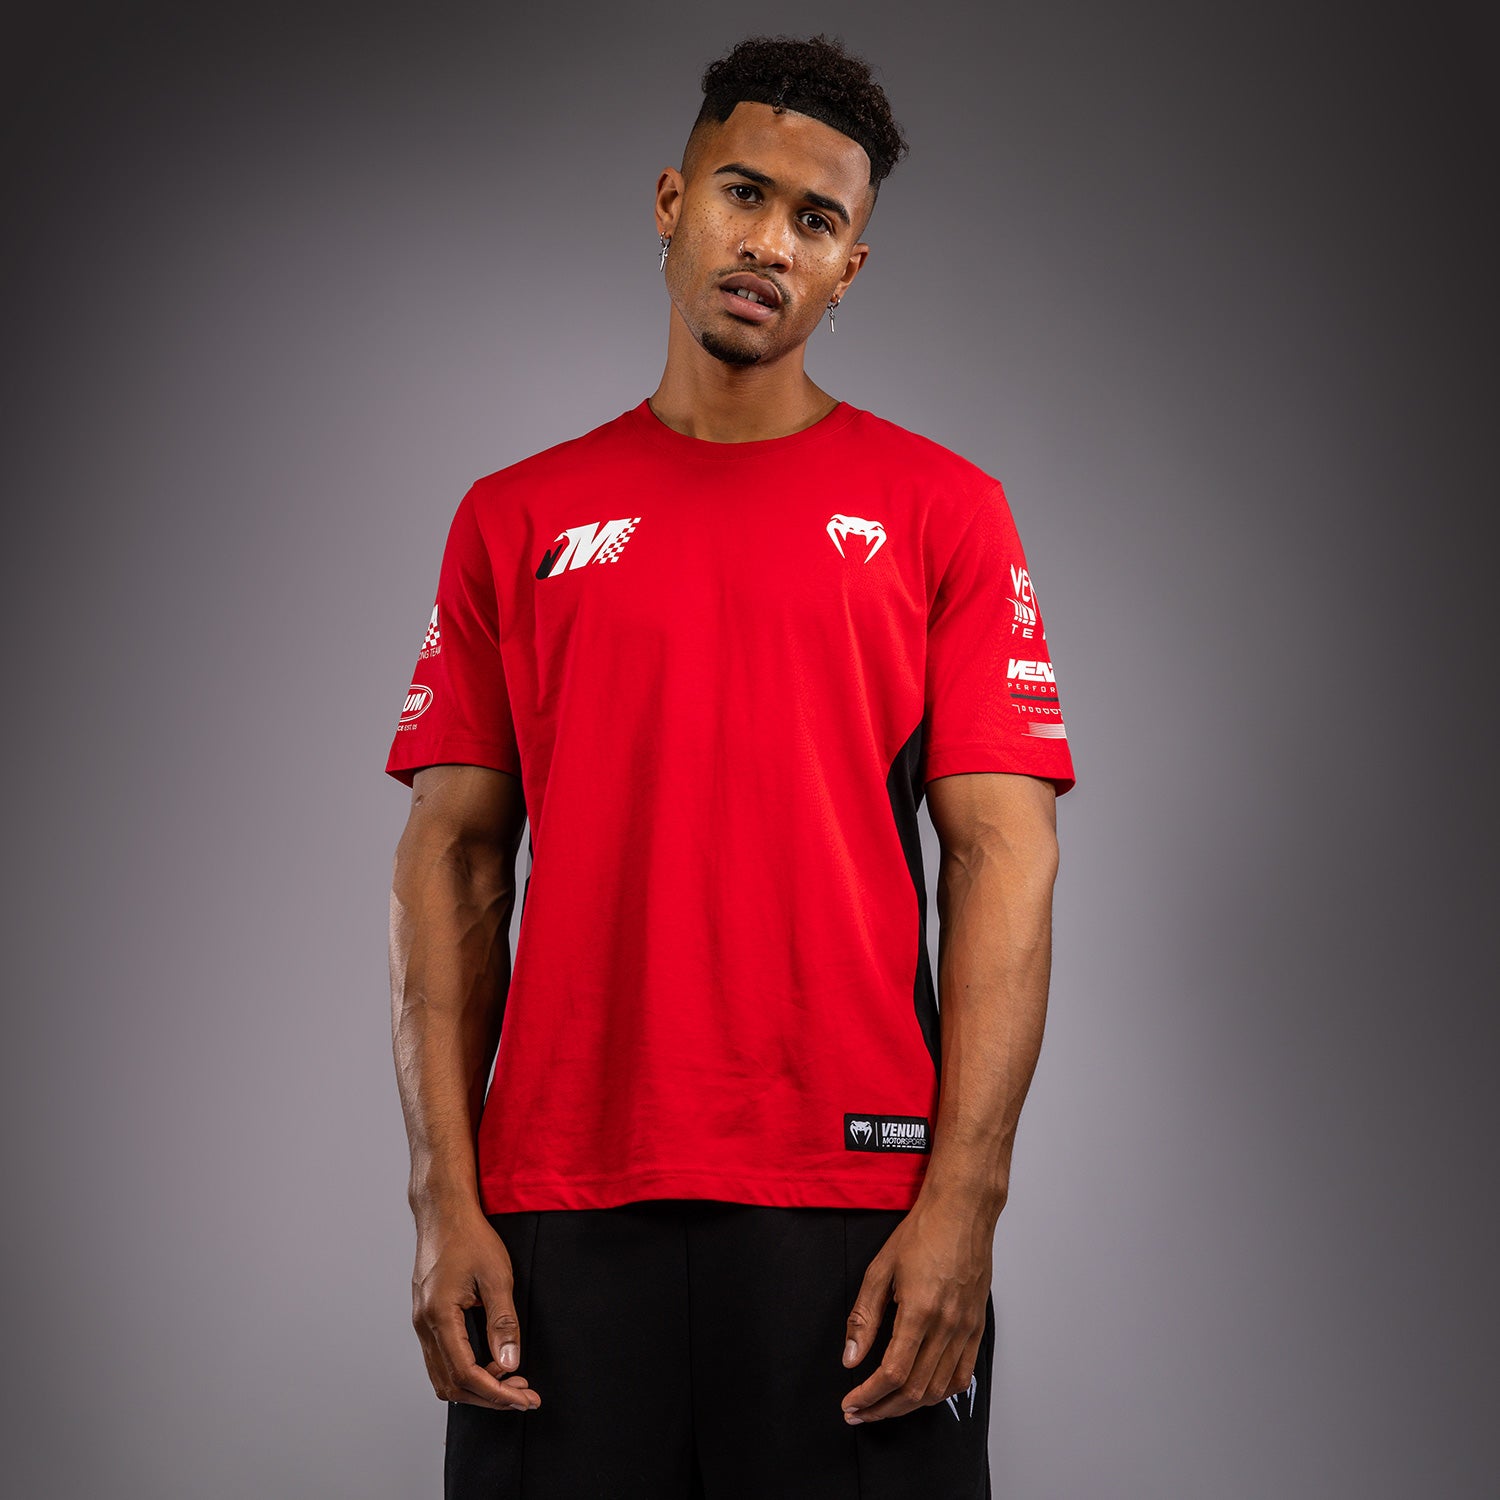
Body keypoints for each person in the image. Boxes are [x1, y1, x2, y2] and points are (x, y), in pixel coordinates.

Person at [385, 32, 1075, 1499]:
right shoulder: (515, 518)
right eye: (742, 193)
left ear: (849, 269)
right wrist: (444, 1196)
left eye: (816, 220)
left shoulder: (945, 513)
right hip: (559, 1208)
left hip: (852, 1207)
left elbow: (1004, 857)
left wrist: (965, 1204)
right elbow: (453, 860)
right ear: (671, 202)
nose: (769, 241)